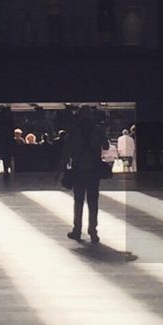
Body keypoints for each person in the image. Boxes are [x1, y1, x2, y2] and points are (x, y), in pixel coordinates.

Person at [60, 105, 107, 244]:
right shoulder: (97, 130)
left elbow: (66, 152)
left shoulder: (74, 131)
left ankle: (77, 230)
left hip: (79, 170)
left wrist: (59, 170)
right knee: (93, 202)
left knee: (78, 201)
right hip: (93, 171)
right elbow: (106, 146)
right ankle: (93, 231)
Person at [0, 106, 15, 179]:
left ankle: (6, 168)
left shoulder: (4, 122)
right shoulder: (6, 122)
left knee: (7, 155)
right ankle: (6, 169)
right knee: (6, 155)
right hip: (5, 140)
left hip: (6, 140)